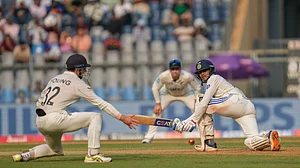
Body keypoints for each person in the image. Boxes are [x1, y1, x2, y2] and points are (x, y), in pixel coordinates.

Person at [12, 53, 139, 163]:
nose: (84, 72)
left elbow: (41, 99)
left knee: (54, 150)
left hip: (40, 120)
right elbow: (101, 103)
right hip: (55, 119)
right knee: (95, 117)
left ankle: (24, 155)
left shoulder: (55, 78)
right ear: (77, 69)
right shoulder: (77, 83)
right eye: (83, 69)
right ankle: (93, 155)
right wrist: (122, 118)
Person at [172, 59, 281, 151]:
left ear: (210, 70)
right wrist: (188, 122)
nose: (202, 74)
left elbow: (204, 103)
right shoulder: (215, 80)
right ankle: (268, 137)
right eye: (200, 72)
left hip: (234, 101)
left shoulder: (213, 78)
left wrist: (190, 121)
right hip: (247, 107)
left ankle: (209, 143)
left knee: (200, 100)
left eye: (204, 70)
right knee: (251, 142)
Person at [142, 59, 204, 144]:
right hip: (168, 94)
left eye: (177, 69)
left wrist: (196, 100)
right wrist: (157, 103)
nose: (175, 71)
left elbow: (197, 87)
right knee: (157, 112)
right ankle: (148, 137)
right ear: (169, 70)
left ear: (180, 69)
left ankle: (204, 135)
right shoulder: (164, 76)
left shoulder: (187, 76)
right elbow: (155, 87)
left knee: (198, 110)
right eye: (173, 69)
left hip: (185, 94)